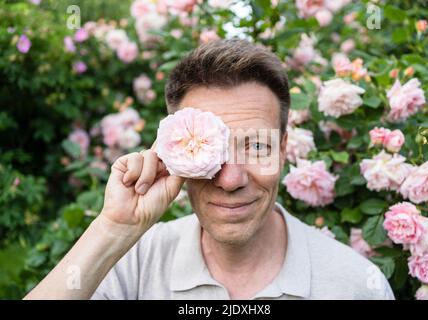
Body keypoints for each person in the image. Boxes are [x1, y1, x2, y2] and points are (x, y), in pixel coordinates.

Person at [25, 39, 394, 300]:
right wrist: (113, 230)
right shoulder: (131, 262)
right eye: (208, 150)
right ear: (171, 152)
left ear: (283, 150)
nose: (231, 180)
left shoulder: (354, 285)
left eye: (256, 146)